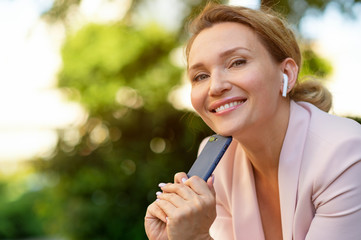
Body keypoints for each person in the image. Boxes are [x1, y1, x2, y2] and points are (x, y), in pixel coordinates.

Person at [144, 3, 361, 240]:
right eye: (201, 76)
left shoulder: (345, 154)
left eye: (237, 62)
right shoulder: (218, 160)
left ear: (286, 74)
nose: (215, 86)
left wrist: (197, 237)